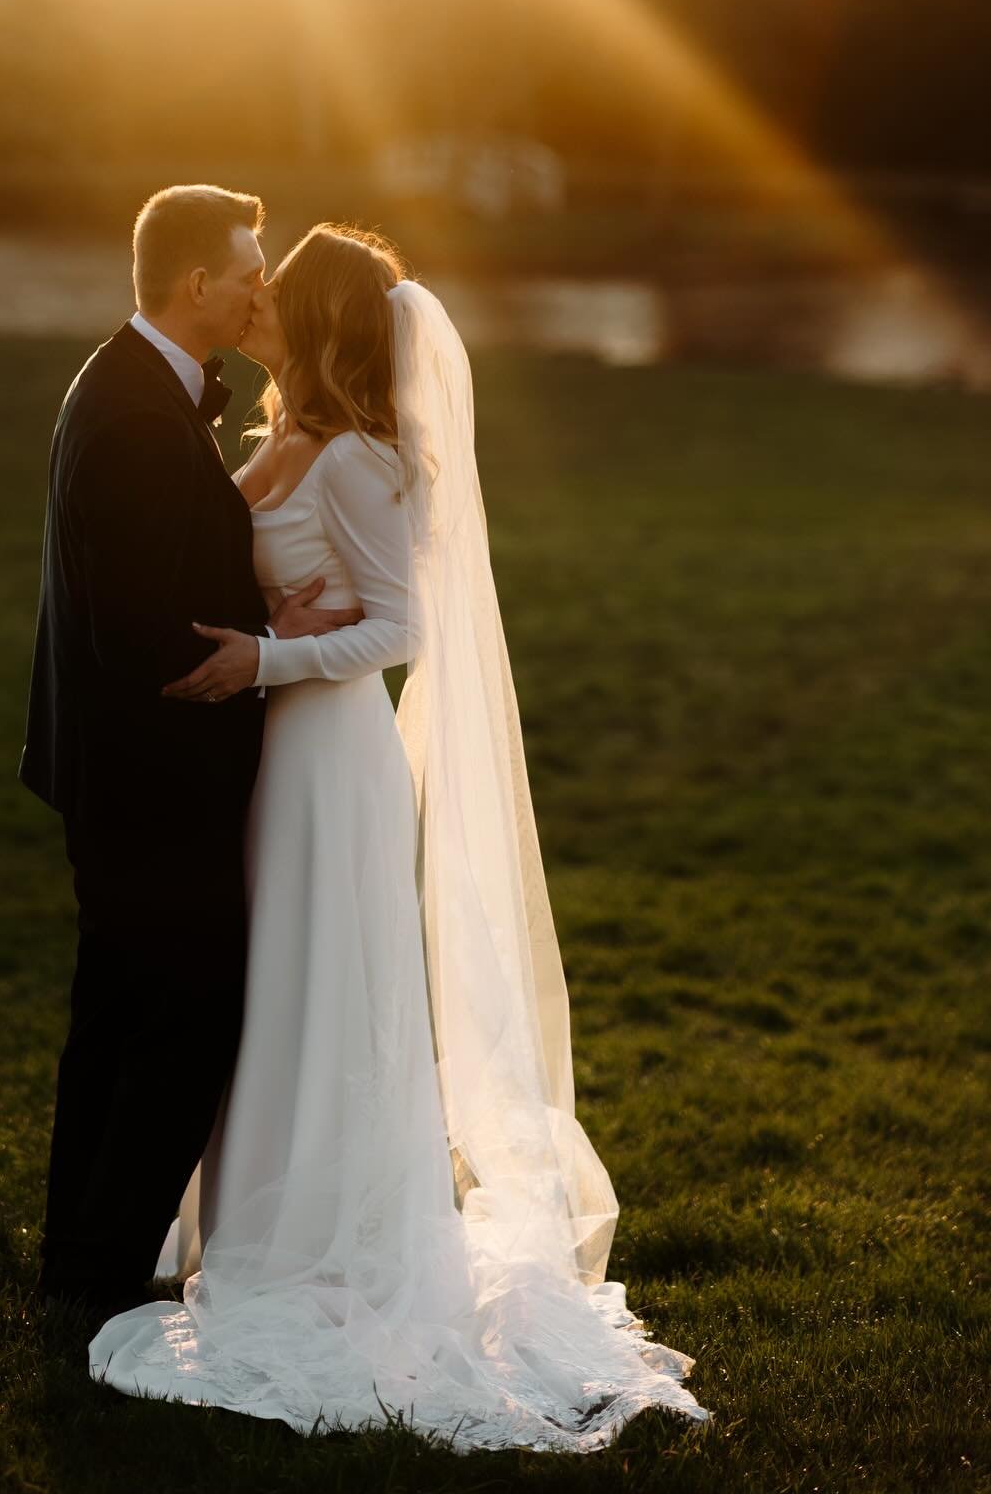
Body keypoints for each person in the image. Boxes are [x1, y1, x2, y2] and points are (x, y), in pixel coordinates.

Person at [86, 223, 712, 1451]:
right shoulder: (289, 435)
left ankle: (319, 1241)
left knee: (321, 983)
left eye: (279, 290)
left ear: (322, 319)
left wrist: (267, 655)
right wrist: (266, 620)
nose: (258, 299)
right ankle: (256, 1219)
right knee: (273, 986)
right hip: (275, 753)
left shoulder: (363, 457)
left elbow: (402, 625)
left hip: (330, 760)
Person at [19, 184, 361, 1326]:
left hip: (126, 775)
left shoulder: (134, 383)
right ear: (197, 283)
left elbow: (164, 567)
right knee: (180, 1022)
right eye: (250, 272)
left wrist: (268, 628)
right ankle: (103, 1272)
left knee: (118, 1019)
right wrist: (269, 645)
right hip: (152, 784)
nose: (262, 289)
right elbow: (143, 626)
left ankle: (80, 1259)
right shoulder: (131, 415)